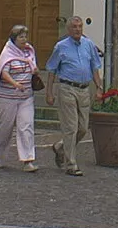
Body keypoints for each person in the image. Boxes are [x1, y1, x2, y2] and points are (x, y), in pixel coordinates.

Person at [43, 15, 103, 176]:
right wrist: (49, 92)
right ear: (69, 29)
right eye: (74, 27)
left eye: (80, 27)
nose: (77, 29)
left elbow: (95, 67)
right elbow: (51, 70)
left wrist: (99, 87)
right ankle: (71, 164)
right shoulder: (61, 47)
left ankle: (60, 147)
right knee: (71, 128)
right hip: (67, 88)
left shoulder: (88, 45)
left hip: (84, 89)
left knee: (83, 128)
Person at [0, 24, 40, 172]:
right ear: (14, 39)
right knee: (5, 128)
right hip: (7, 96)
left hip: (26, 96)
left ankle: (28, 160)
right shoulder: (7, 53)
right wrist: (15, 84)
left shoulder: (29, 52)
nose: (24, 39)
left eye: (25, 36)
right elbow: (4, 72)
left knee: (26, 126)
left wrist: (35, 71)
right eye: (21, 36)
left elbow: (32, 67)